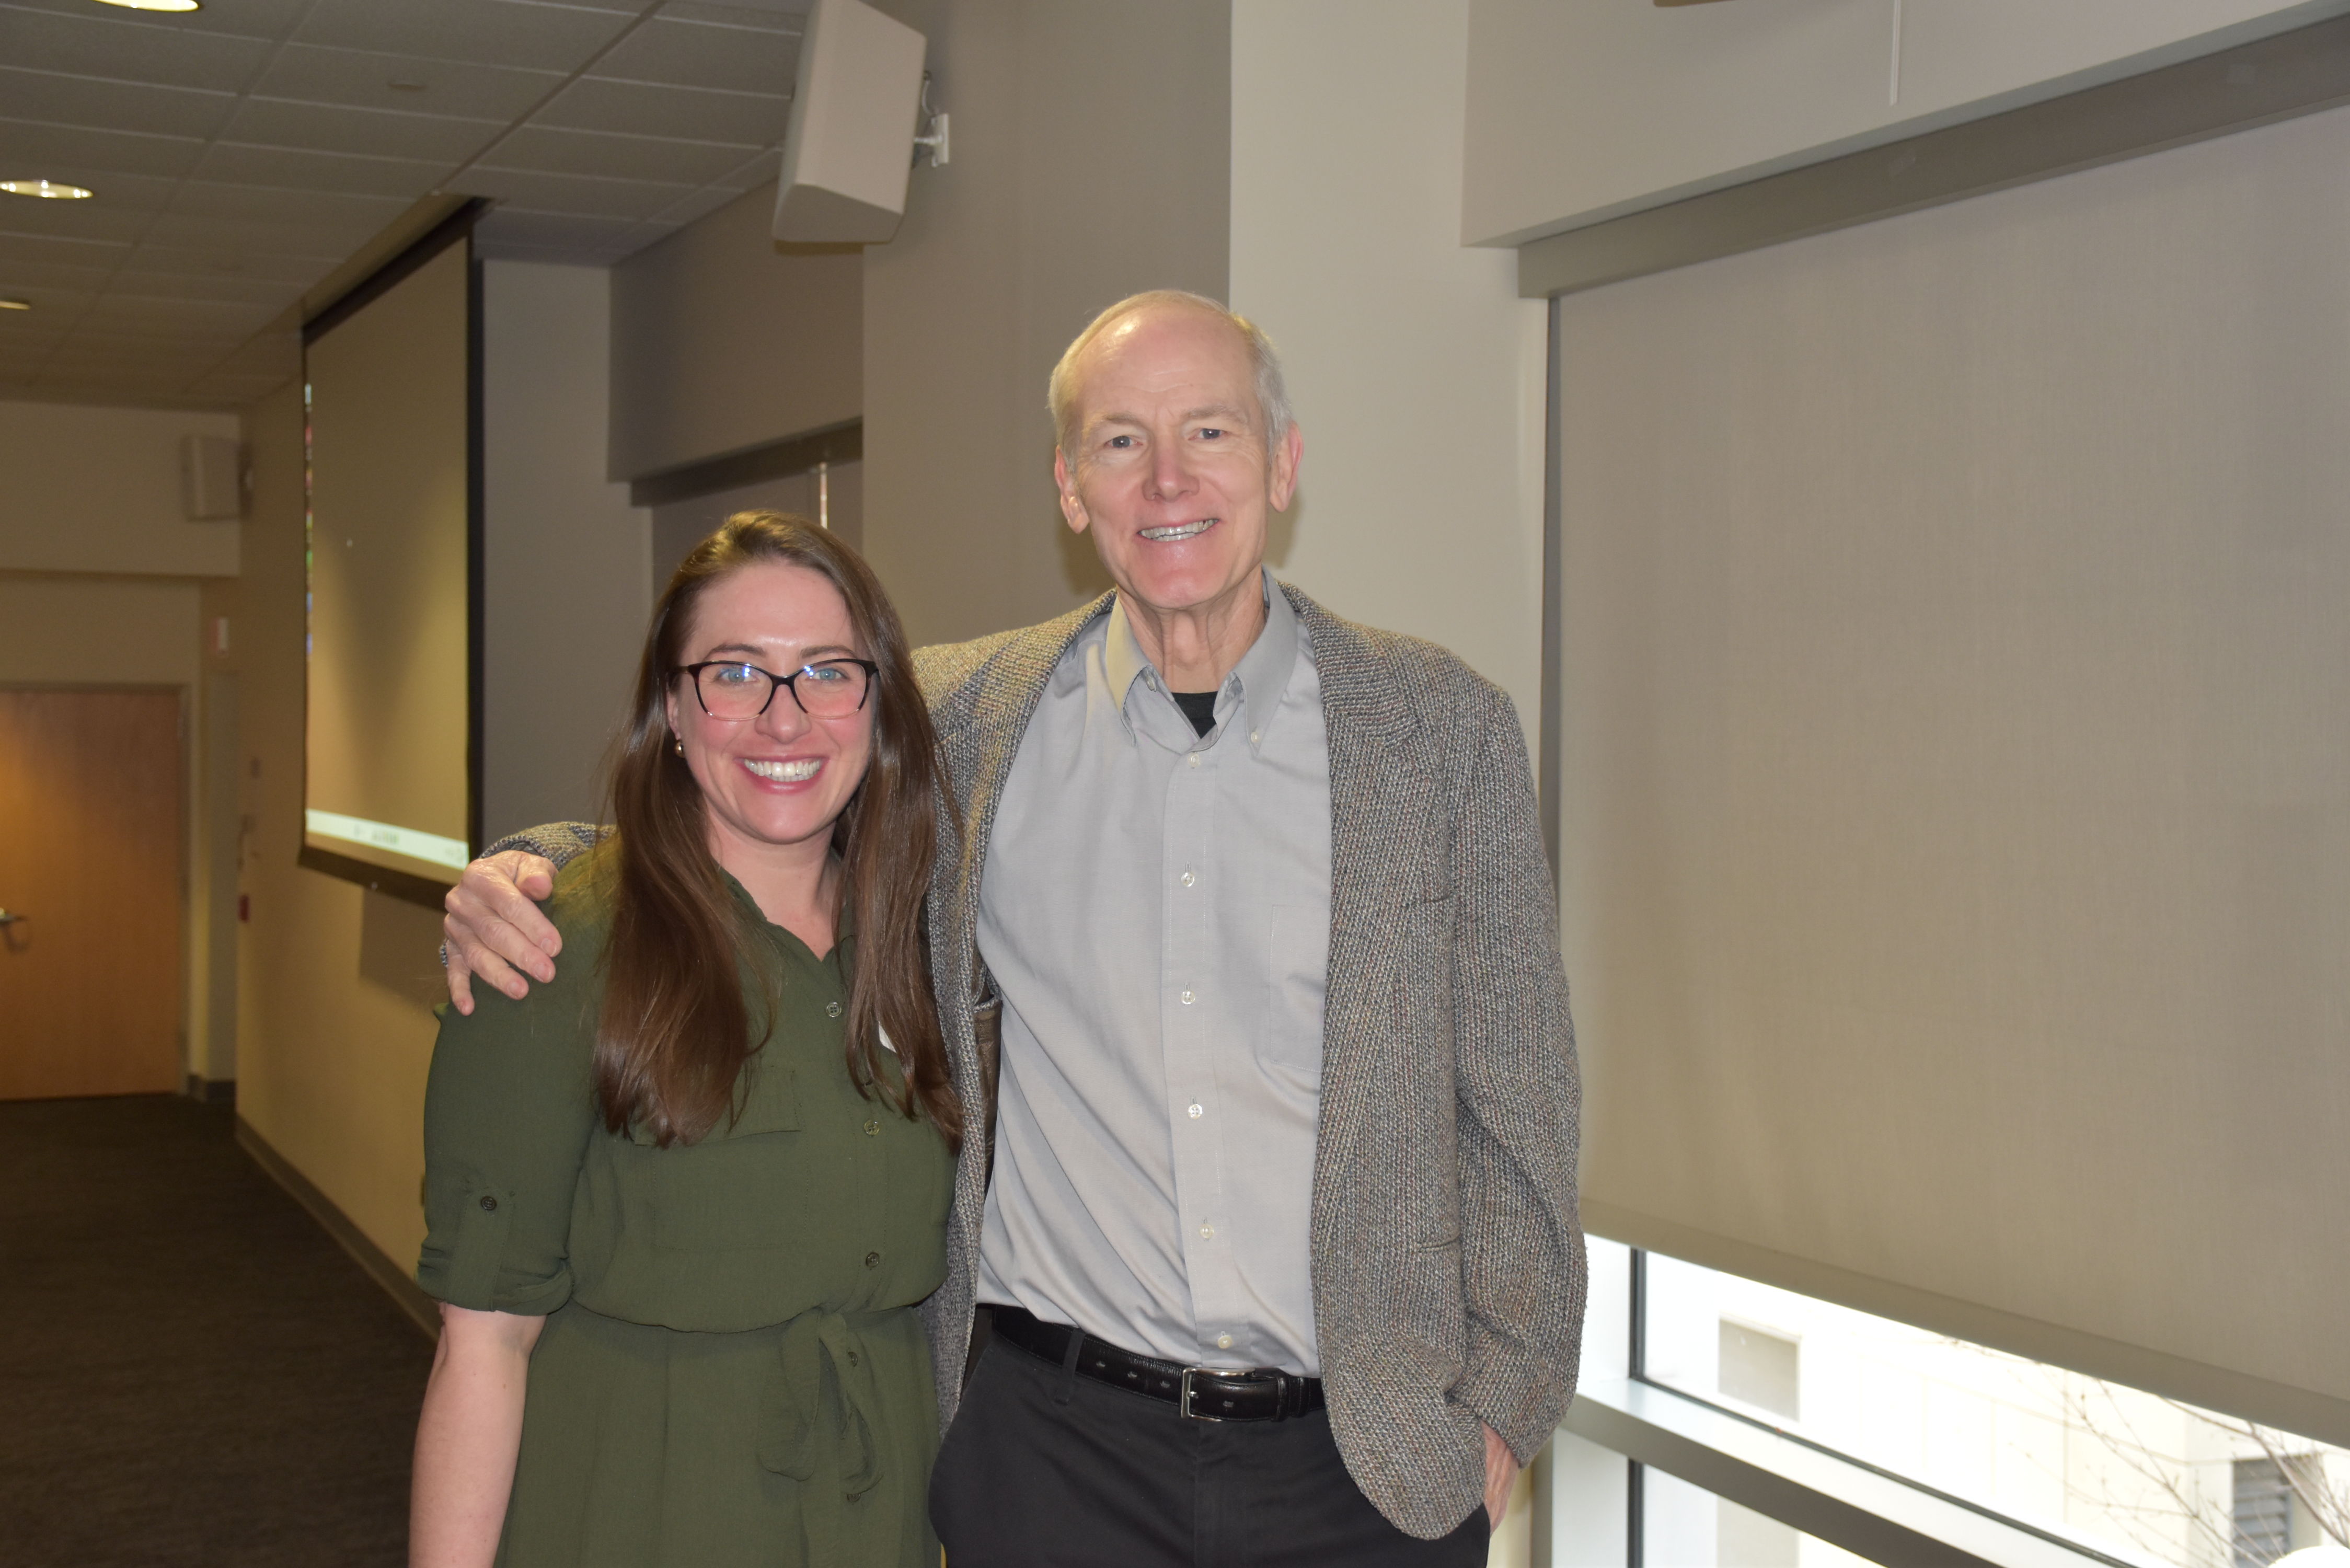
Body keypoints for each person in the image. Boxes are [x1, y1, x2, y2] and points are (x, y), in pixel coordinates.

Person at [443, 292, 1585, 1565]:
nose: (1165, 481)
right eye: (1117, 443)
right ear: (1068, 486)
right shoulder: (966, 717)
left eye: (1208, 433)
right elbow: (753, 776)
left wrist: (1502, 1415)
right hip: (1055, 1456)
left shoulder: (1438, 732)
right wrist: (525, 871)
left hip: (1357, 1467)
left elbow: (1520, 1105)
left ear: (1282, 461)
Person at [410, 514, 960, 1568]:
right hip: (638, 1507)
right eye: (736, 673)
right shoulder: (549, 948)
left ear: (877, 701)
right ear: (671, 704)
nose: (784, 719)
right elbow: (483, 1345)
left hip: (873, 1512)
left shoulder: (918, 939)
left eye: (827, 673)